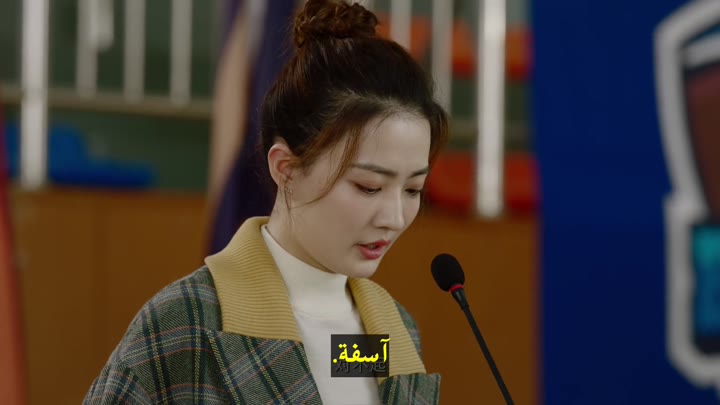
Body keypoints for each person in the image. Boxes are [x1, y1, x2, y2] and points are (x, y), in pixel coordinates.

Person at [84, 0, 449, 403]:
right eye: (368, 187)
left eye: (413, 189)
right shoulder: (185, 323)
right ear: (286, 169)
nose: (394, 217)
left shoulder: (393, 330)